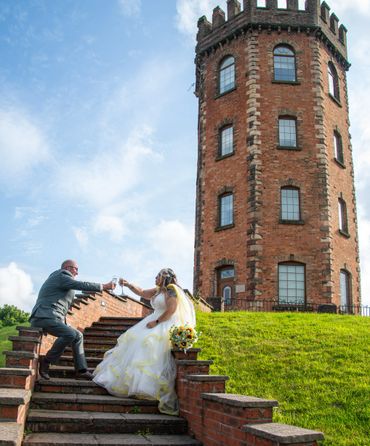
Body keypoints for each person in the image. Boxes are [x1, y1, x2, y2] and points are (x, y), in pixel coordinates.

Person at [93, 268, 196, 415]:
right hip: (154, 320)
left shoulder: (171, 290)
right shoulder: (158, 290)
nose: (155, 278)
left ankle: (146, 386)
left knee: (147, 344)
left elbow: (172, 309)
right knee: (135, 341)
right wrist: (128, 285)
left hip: (164, 322)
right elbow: (141, 292)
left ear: (165, 277)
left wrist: (157, 321)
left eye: (157, 276)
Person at [30, 259, 116, 380]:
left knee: (78, 335)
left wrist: (65, 322)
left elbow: (60, 304)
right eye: (76, 269)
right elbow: (81, 285)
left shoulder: (61, 280)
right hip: (44, 316)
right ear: (67, 268)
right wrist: (104, 286)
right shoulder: (62, 275)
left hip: (51, 317)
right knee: (70, 334)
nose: (77, 273)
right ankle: (46, 361)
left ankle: (81, 370)